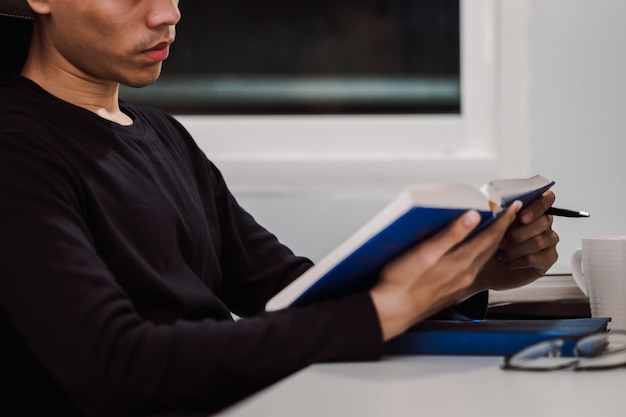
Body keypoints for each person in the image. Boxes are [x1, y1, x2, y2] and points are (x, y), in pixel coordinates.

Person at [0, 1, 559, 416]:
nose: (167, 13)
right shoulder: (16, 147)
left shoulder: (164, 136)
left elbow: (286, 294)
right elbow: (116, 367)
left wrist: (468, 275)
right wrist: (386, 309)